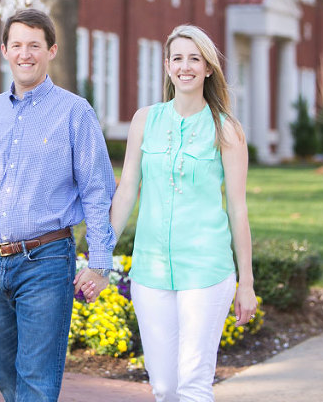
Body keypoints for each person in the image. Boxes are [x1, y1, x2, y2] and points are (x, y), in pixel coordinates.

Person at [0, 8, 115, 402]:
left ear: (51, 50)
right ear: (4, 50)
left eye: (35, 46)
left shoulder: (75, 113)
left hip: (45, 261)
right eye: (17, 45)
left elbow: (97, 190)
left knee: (36, 381)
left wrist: (100, 261)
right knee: (6, 377)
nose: (25, 54)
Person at [108, 24, 258, 402]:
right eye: (178, 58)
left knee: (193, 384)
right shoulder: (145, 120)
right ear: (168, 66)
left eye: (195, 58)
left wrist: (247, 282)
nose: (185, 66)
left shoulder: (228, 130)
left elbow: (238, 210)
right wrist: (99, 253)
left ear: (208, 68)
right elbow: (127, 189)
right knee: (164, 387)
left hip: (206, 271)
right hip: (150, 271)